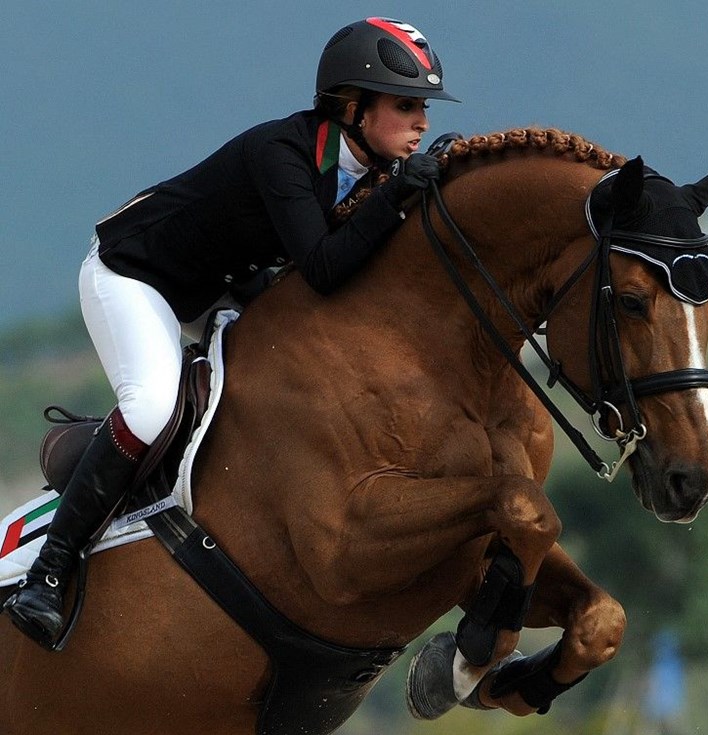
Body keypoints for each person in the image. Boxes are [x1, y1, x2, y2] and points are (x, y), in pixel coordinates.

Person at [2, 16, 459, 650]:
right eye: (407, 106)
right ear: (353, 108)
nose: (422, 124)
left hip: (219, 288)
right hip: (135, 278)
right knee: (153, 407)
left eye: (424, 109)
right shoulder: (284, 153)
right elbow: (326, 268)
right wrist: (399, 196)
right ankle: (48, 573)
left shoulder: (370, 169)